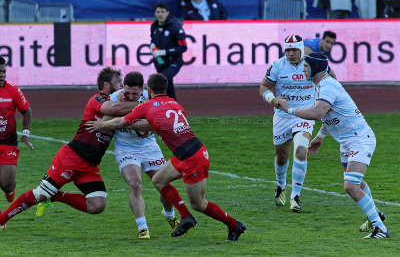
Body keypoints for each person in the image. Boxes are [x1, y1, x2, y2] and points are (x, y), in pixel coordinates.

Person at [86, 73, 246, 241]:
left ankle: (234, 225)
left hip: (191, 157)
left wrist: (101, 124)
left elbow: (120, 122)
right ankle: (185, 216)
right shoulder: (174, 103)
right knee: (159, 180)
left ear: (147, 89)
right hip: (188, 152)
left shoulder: (146, 106)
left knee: (198, 204)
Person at [0, 67, 140, 229]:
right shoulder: (98, 100)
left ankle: (56, 197)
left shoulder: (119, 104)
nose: (122, 87)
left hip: (89, 166)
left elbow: (125, 117)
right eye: (119, 82)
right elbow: (114, 110)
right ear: (107, 84)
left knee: (97, 205)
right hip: (71, 158)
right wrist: (144, 104)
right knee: (40, 194)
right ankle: (1, 219)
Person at [276, 52, 389, 239]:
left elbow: (317, 113)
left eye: (306, 66)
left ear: (315, 68)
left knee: (350, 186)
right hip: (347, 141)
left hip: (359, 139)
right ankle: (376, 215)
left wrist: (288, 109)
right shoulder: (321, 86)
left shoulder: (327, 85)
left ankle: (381, 228)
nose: (303, 69)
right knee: (357, 183)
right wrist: (319, 137)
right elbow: (328, 115)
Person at [259, 34, 336, 213]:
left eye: (294, 50)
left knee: (301, 150)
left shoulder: (313, 62)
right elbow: (263, 87)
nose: (291, 53)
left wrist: (328, 94)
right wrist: (273, 99)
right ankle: (280, 186)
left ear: (301, 49)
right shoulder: (277, 66)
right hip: (282, 116)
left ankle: (295, 196)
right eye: (288, 50)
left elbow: (332, 77)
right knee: (282, 156)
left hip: (304, 115)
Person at [109, 71, 179, 239]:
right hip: (125, 148)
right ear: (123, 87)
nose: (131, 96)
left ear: (144, 90)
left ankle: (169, 214)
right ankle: (142, 227)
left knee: (164, 185)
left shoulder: (151, 98)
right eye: (128, 92)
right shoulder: (114, 98)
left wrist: (149, 125)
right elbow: (107, 115)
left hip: (149, 147)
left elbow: (161, 119)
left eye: (135, 93)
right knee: (135, 183)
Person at [0, 56, 33, 228]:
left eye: (3, 71)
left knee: (6, 183)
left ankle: (10, 189)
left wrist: (25, 134)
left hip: (8, 143)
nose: (1, 75)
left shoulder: (12, 90)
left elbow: (27, 111)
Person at [150, 3, 187, 101]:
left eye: (162, 12)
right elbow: (153, 40)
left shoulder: (175, 27)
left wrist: (164, 52)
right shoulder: (154, 26)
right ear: (155, 13)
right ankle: (173, 106)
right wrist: (152, 46)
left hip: (173, 62)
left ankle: (151, 105)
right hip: (160, 62)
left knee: (161, 79)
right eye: (158, 12)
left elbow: (183, 47)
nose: (160, 14)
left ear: (167, 13)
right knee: (168, 87)